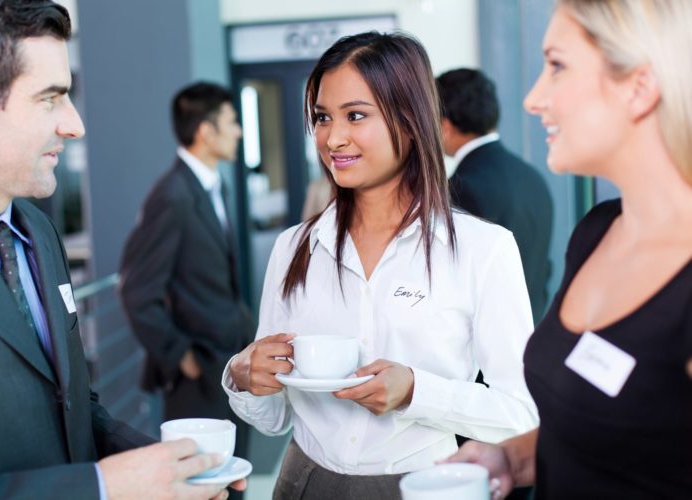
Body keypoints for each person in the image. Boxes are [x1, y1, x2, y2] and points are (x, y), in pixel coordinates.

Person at [0, 1, 244, 498]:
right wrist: (101, 486)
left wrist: (161, 465)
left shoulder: (36, 233)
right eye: (50, 98)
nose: (75, 124)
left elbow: (73, 405)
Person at [223, 31, 539, 500]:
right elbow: (276, 420)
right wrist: (244, 378)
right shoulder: (294, 248)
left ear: (410, 121)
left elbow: (521, 412)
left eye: (356, 116)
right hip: (304, 482)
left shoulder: (482, 249)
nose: (333, 137)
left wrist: (416, 392)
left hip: (425, 484)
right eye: (323, 117)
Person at [446, 1, 692, 498]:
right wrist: (513, 458)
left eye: (557, 66)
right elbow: (620, 439)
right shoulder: (597, 233)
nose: (534, 98)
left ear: (639, 87)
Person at [119, 82, 255, 478]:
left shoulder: (213, 185)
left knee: (232, 479)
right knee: (202, 484)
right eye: (232, 122)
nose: (239, 132)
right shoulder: (172, 195)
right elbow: (136, 289)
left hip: (227, 364)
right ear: (206, 131)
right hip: (199, 375)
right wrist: (182, 357)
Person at [436, 68, 554, 321]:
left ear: (445, 126)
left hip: (487, 344)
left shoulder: (463, 186)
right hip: (533, 332)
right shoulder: (532, 177)